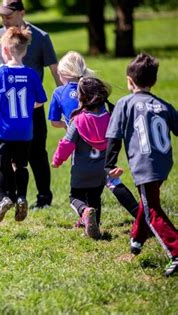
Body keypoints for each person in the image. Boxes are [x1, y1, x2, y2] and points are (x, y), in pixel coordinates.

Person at [105, 53, 178, 277]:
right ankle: (137, 239)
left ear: (129, 81)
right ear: (154, 81)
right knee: (148, 200)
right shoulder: (163, 105)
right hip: (163, 163)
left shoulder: (124, 104)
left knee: (151, 210)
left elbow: (114, 138)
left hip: (144, 164)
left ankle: (176, 251)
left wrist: (109, 166)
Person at [0, 0, 61, 209]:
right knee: (5, 156)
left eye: (8, 15)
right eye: (1, 15)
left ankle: (44, 197)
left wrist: (64, 101)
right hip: (5, 111)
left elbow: (55, 70)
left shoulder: (40, 37)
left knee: (36, 153)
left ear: (22, 13)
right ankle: (9, 197)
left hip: (32, 108)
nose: (3, 19)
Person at [49, 51, 139, 221]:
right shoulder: (99, 101)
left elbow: (60, 132)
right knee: (106, 186)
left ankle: (85, 215)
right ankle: (140, 216)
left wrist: (57, 158)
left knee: (77, 194)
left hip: (81, 155)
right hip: (104, 158)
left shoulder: (65, 101)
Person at [0, 26, 47, 224]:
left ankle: (3, 197)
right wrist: (27, 107)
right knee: (21, 165)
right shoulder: (31, 74)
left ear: (4, 51)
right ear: (25, 50)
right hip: (24, 131)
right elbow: (41, 100)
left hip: (3, 130)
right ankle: (21, 197)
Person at [51, 77, 113, 240]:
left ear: (82, 98)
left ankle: (85, 213)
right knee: (95, 198)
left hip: (81, 171)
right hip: (101, 170)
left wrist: (57, 160)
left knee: (75, 197)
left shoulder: (77, 120)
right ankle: (94, 227)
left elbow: (67, 144)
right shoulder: (108, 117)